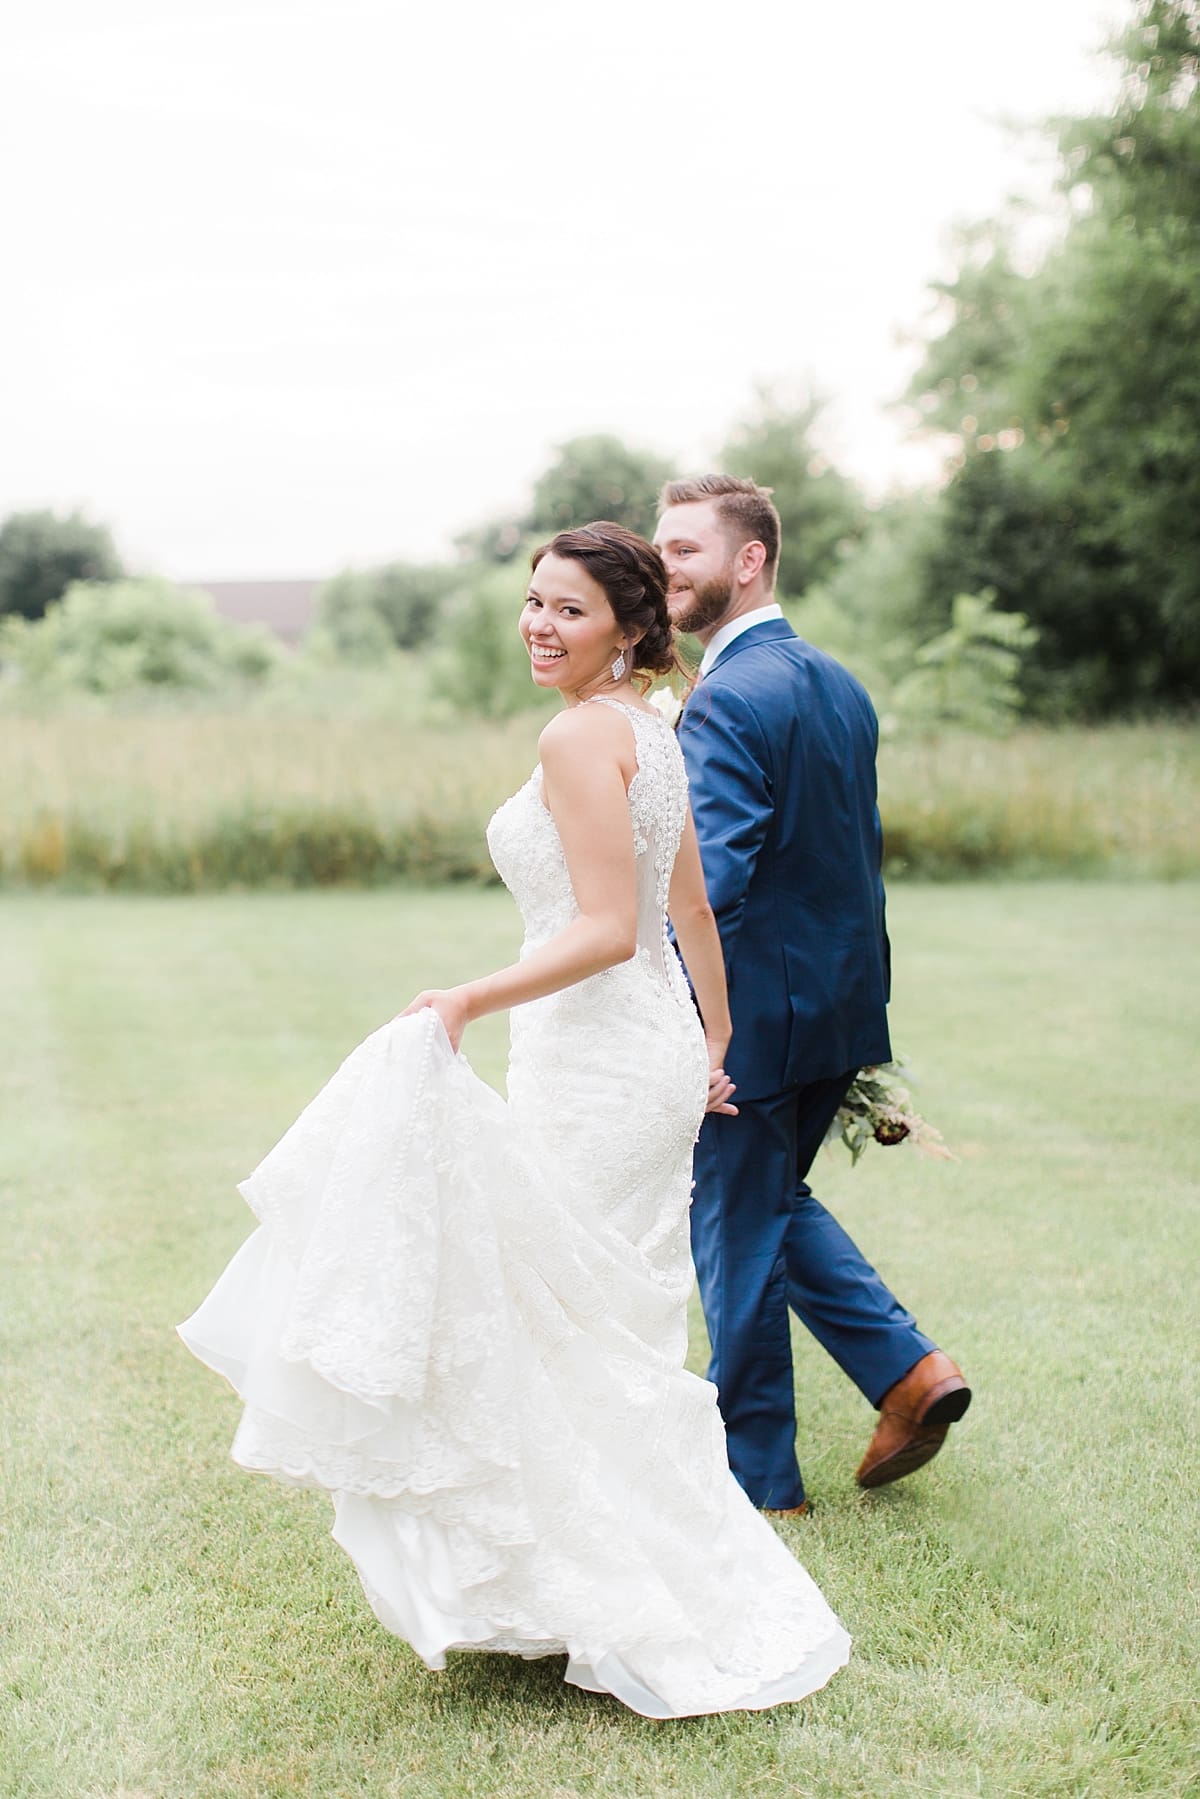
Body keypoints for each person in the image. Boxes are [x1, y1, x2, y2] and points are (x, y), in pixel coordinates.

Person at [178, 521, 851, 1719]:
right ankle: (571, 1584)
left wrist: (469, 997)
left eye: (571, 609)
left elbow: (608, 924)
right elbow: (684, 902)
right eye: (534, 601)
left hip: (599, 1056)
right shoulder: (653, 723)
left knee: (566, 1317)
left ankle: (623, 1596)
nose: (541, 625)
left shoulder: (585, 732)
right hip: (625, 1045)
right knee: (590, 1318)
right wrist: (710, 1034)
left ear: (630, 627)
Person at [654, 475, 971, 1515]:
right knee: (769, 1203)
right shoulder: (837, 682)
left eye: (686, 549)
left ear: (749, 560)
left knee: (734, 1228)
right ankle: (911, 1373)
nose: (666, 567)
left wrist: (667, 1003)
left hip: (755, 1018)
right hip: (838, 1006)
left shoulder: (730, 694)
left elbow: (718, 878)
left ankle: (758, 1480)